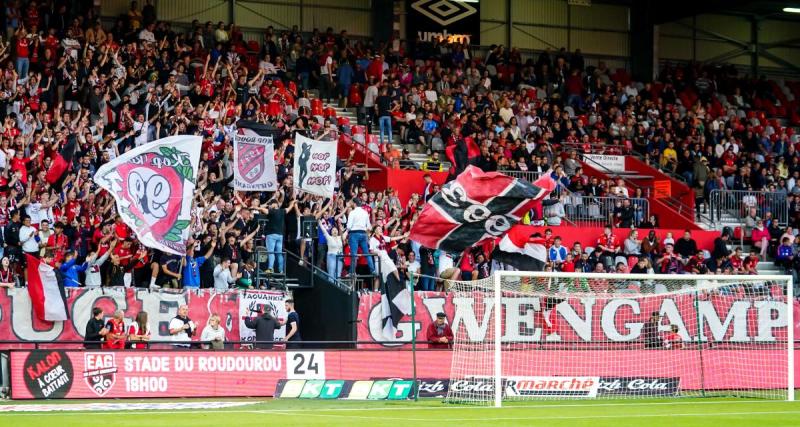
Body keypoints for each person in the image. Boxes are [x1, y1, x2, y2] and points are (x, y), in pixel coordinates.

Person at [346, 198, 375, 276]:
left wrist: (345, 233)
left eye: (352, 203)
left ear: (355, 204)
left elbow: (348, 226)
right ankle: (373, 270)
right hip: (363, 234)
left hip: (354, 234)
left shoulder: (352, 212)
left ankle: (352, 272)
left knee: (354, 254)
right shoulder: (365, 212)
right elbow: (369, 226)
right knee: (366, 253)